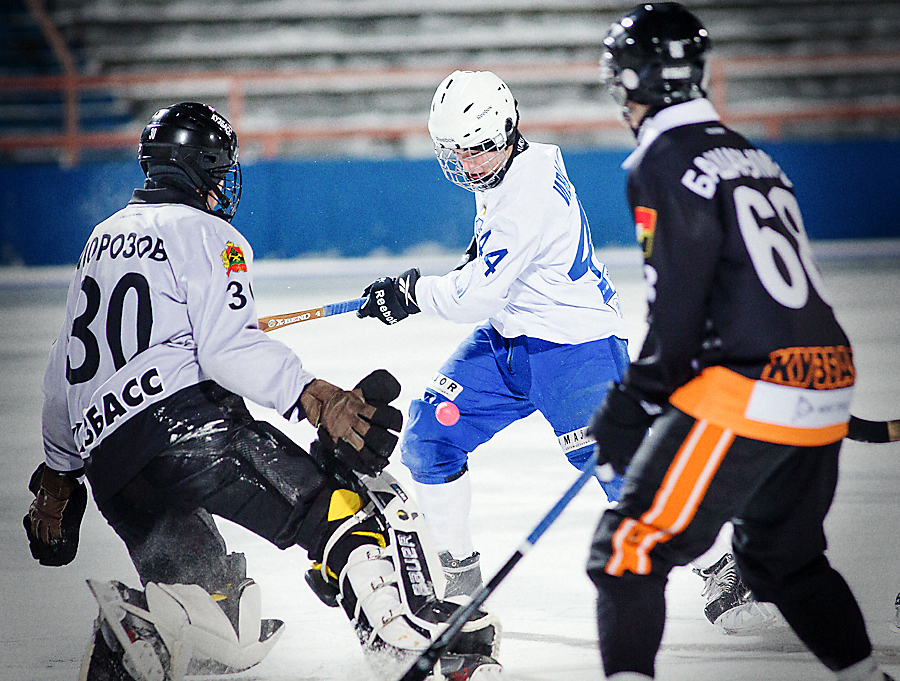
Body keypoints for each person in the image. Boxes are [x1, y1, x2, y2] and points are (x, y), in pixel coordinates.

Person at [23, 102, 500, 681]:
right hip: (189, 436)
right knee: (344, 506)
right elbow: (229, 350)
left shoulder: (99, 241)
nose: (223, 183)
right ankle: (405, 641)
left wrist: (59, 472)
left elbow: (60, 374)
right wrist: (312, 394)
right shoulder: (212, 235)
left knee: (218, 619)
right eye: (219, 170)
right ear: (198, 167)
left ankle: (132, 635)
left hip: (111, 465)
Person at [584, 4, 893, 681]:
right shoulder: (755, 155)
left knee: (627, 549)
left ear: (632, 82)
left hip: (756, 386)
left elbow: (677, 313)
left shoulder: (658, 161)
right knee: (785, 560)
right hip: (826, 375)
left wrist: (633, 402)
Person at [356, 70, 630, 598]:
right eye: (457, 151)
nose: (470, 163)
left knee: (626, 469)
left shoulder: (524, 191)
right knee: (429, 439)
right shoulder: (511, 167)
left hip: (576, 350)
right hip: (506, 344)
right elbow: (491, 270)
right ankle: (457, 577)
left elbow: (478, 296)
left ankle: (722, 571)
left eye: (481, 149)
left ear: (510, 129)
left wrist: (410, 293)